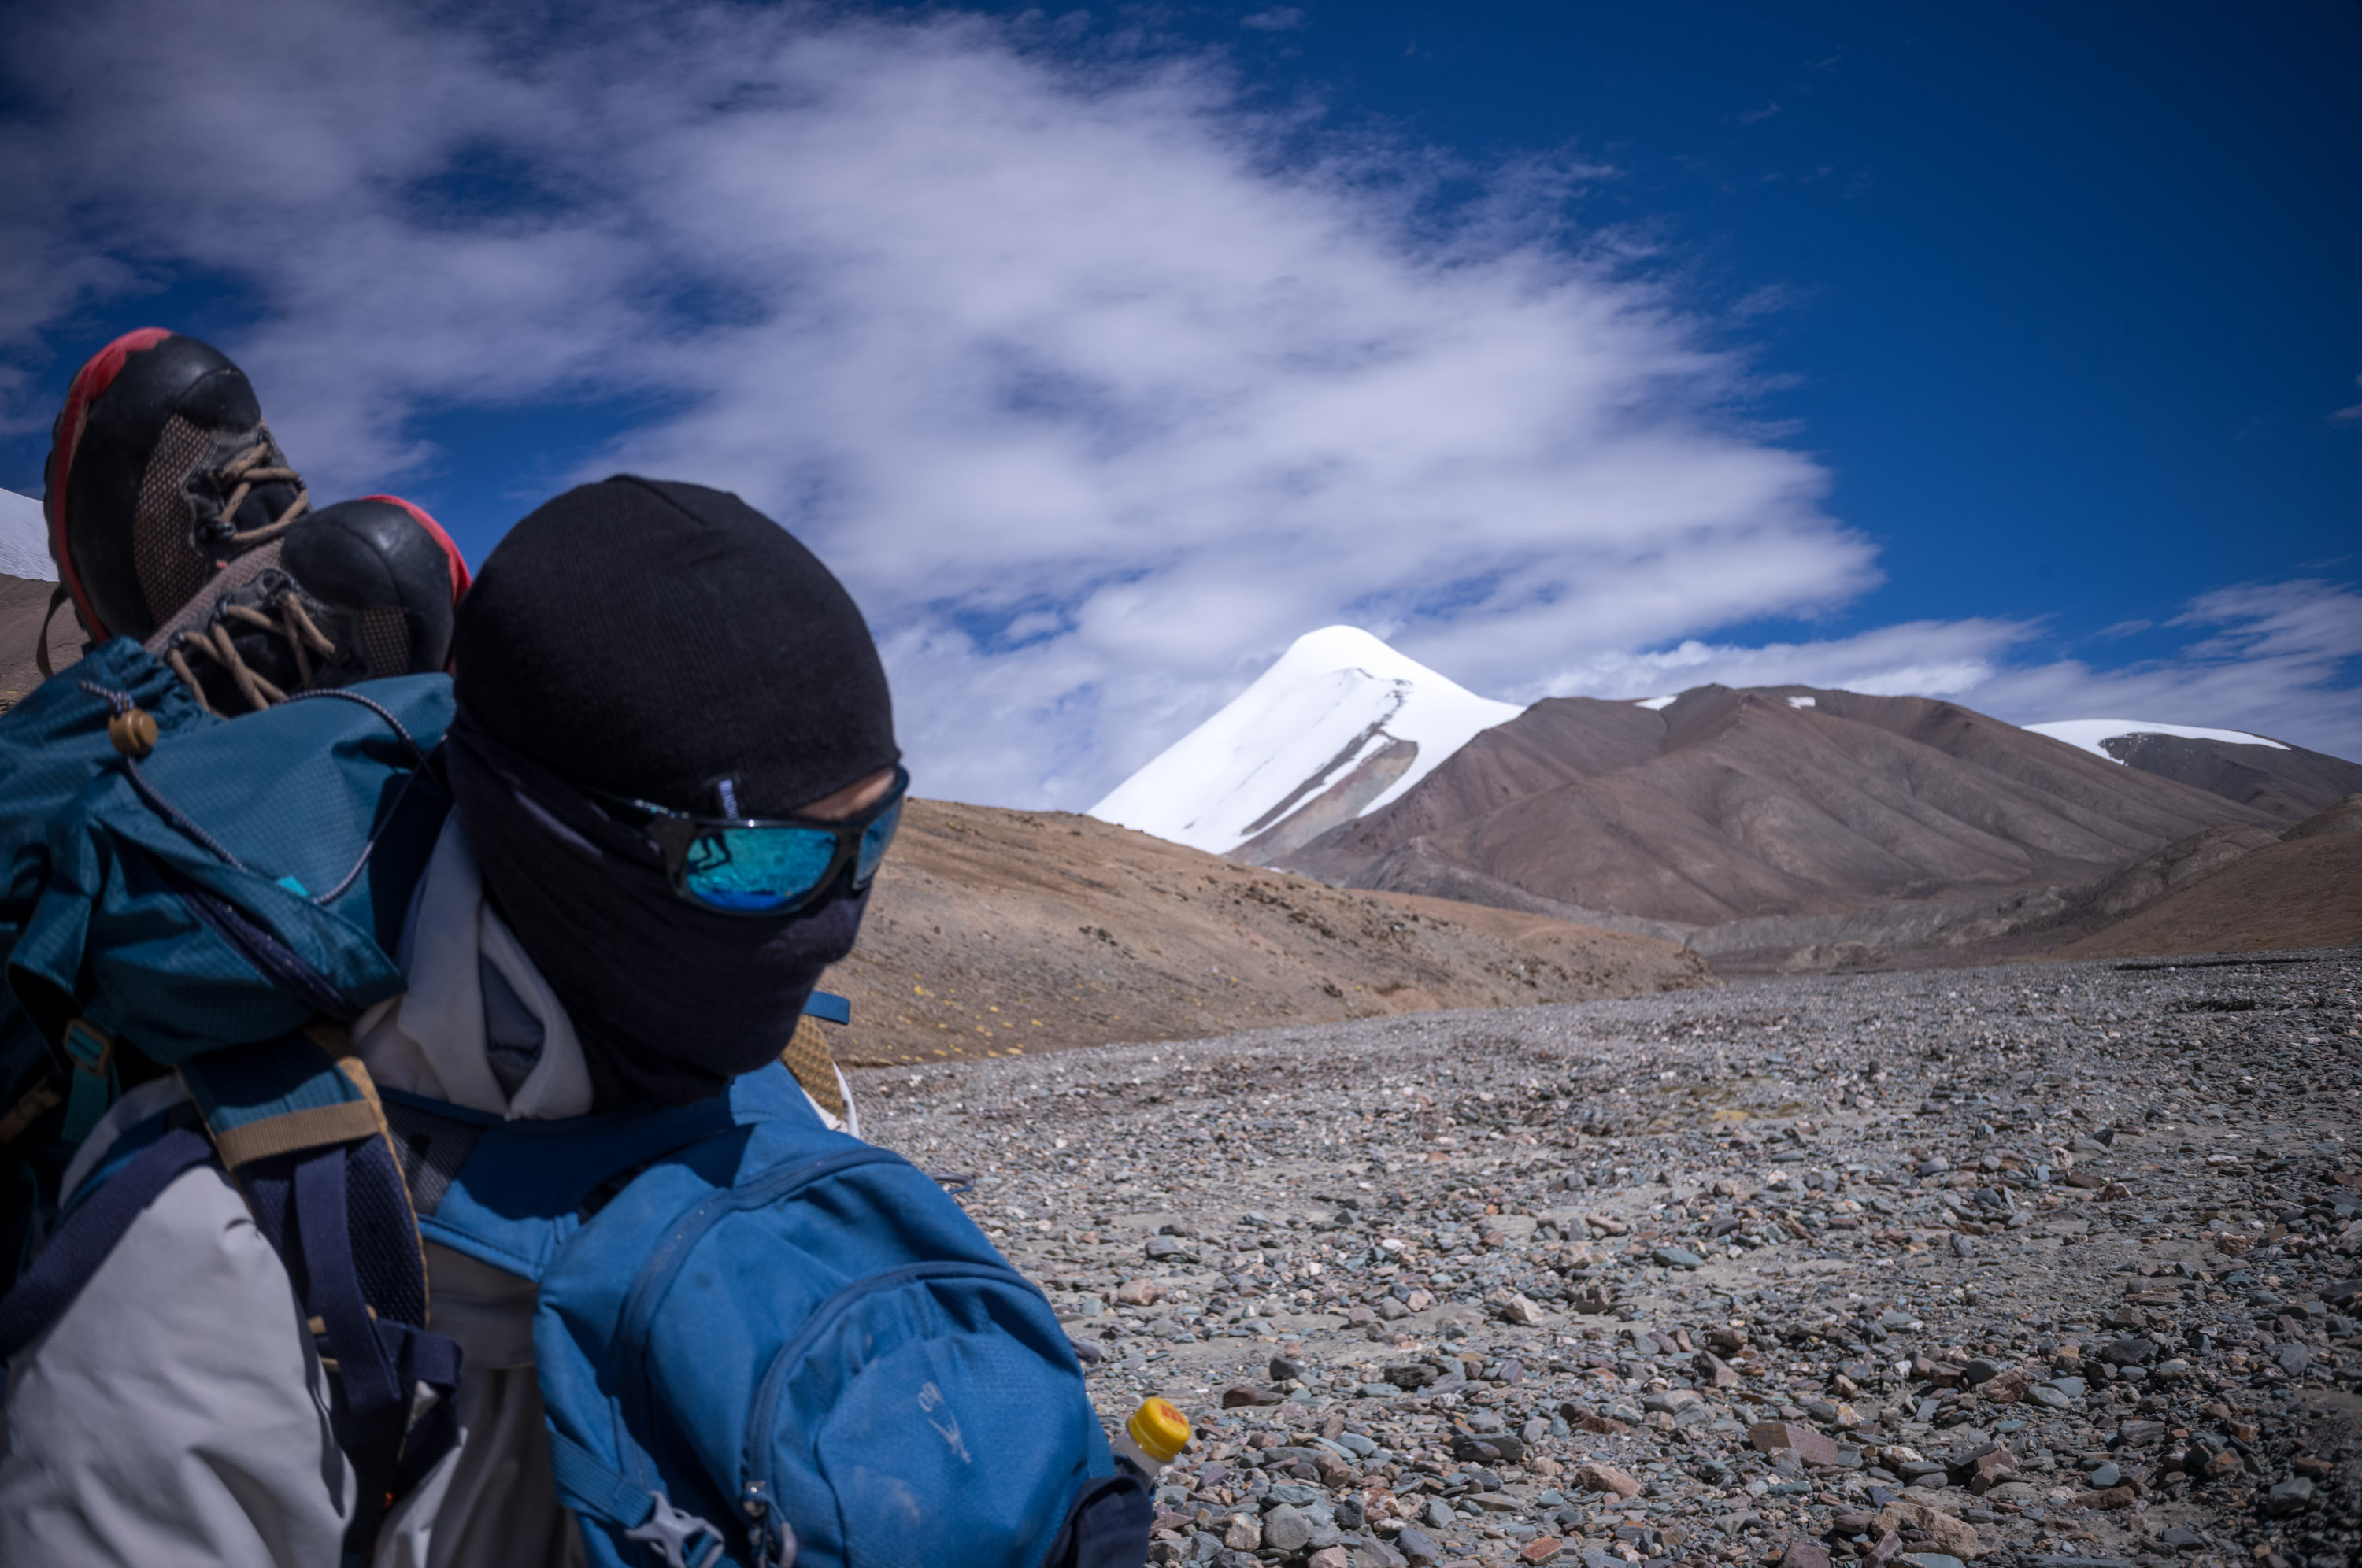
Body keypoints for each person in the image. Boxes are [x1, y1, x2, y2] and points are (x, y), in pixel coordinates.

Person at [0, 475, 913, 1563]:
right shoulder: (207, 1275)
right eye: (760, 859)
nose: (838, 921)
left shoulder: (785, 1092)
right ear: (561, 838)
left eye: (878, 830)